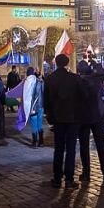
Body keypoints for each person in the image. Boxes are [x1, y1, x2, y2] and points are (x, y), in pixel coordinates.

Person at [43, 54, 84, 189]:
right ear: (67, 64)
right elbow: (82, 97)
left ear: (56, 63)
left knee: (59, 148)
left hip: (57, 118)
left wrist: (50, 118)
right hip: (72, 119)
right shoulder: (74, 78)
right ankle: (69, 179)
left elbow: (46, 101)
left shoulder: (49, 79)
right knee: (71, 149)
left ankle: (56, 178)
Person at [77, 62, 104, 183]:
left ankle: (86, 173)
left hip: (83, 118)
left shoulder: (78, 82)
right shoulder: (96, 80)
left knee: (84, 146)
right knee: (100, 145)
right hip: (97, 117)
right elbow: (103, 72)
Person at [29, 69, 45, 147]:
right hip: (41, 106)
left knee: (34, 124)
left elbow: (33, 96)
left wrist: (32, 107)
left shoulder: (32, 84)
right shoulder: (43, 83)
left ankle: (35, 142)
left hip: (34, 106)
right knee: (39, 123)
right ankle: (41, 141)